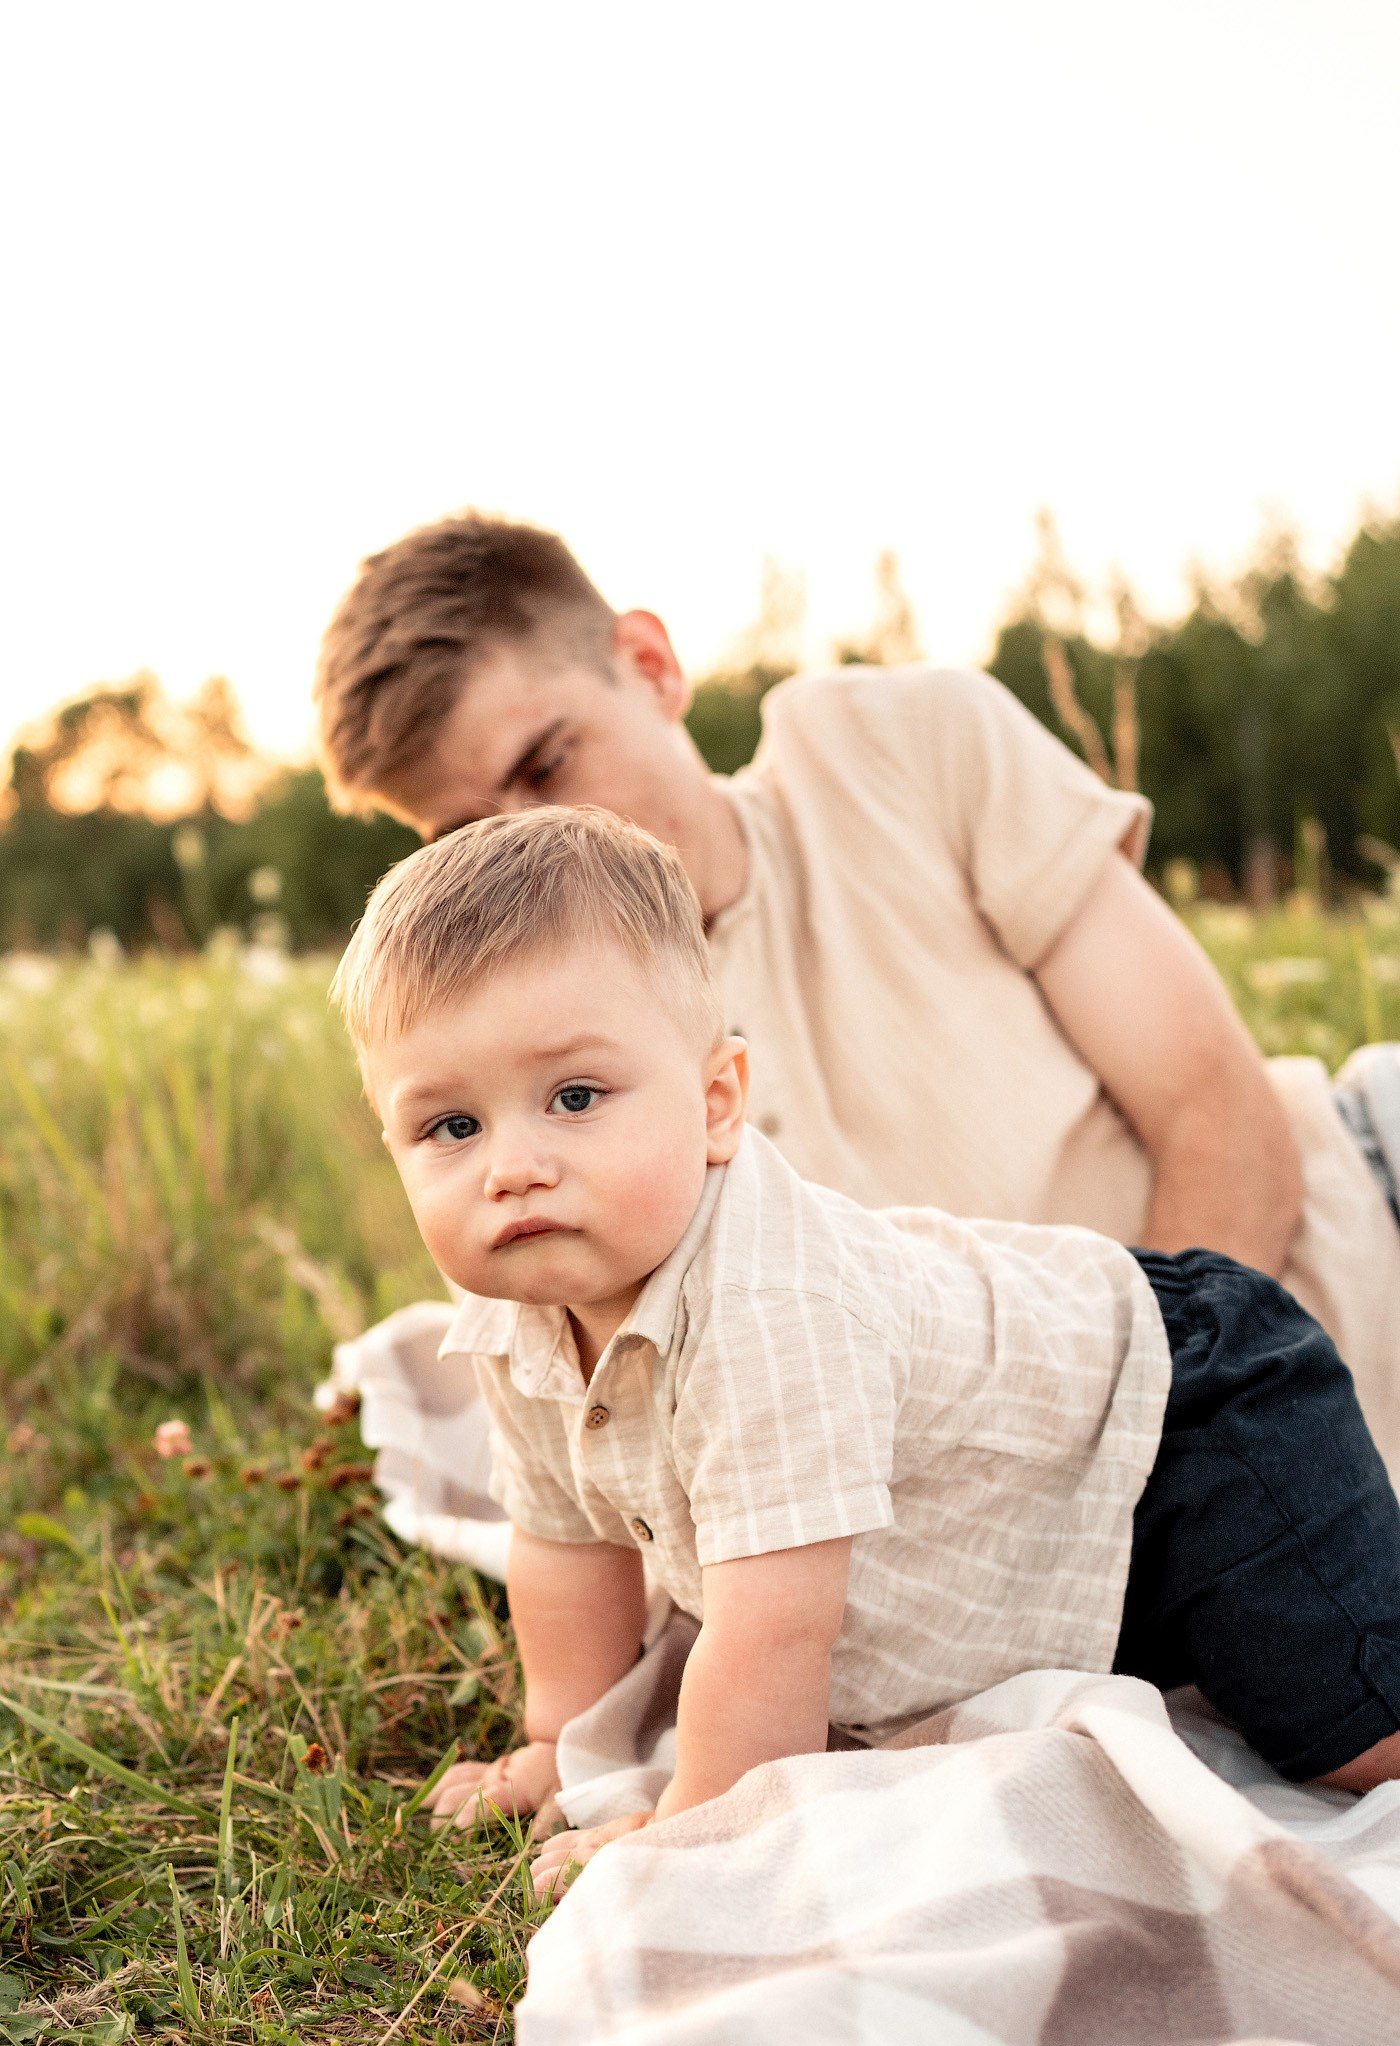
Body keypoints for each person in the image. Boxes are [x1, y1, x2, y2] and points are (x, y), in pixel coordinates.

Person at [331, 805, 1400, 1900]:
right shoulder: (515, 1307)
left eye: (573, 1098)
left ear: (716, 1105)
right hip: (1040, 1529)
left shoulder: (770, 1309)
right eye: (451, 1126)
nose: (511, 1167)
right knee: (1187, 1677)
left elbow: (774, 1629)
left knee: (1357, 1733)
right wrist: (558, 1741)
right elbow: (563, 1543)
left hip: (1189, 1417)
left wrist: (695, 1826)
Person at [314, 512, 1400, 1483]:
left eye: (549, 764)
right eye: (465, 833)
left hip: (1346, 1235)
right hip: (1162, 1517)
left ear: (648, 666)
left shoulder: (893, 743)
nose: (529, 841)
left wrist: (1160, 1472)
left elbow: (1217, 1110)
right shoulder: (532, 1083)